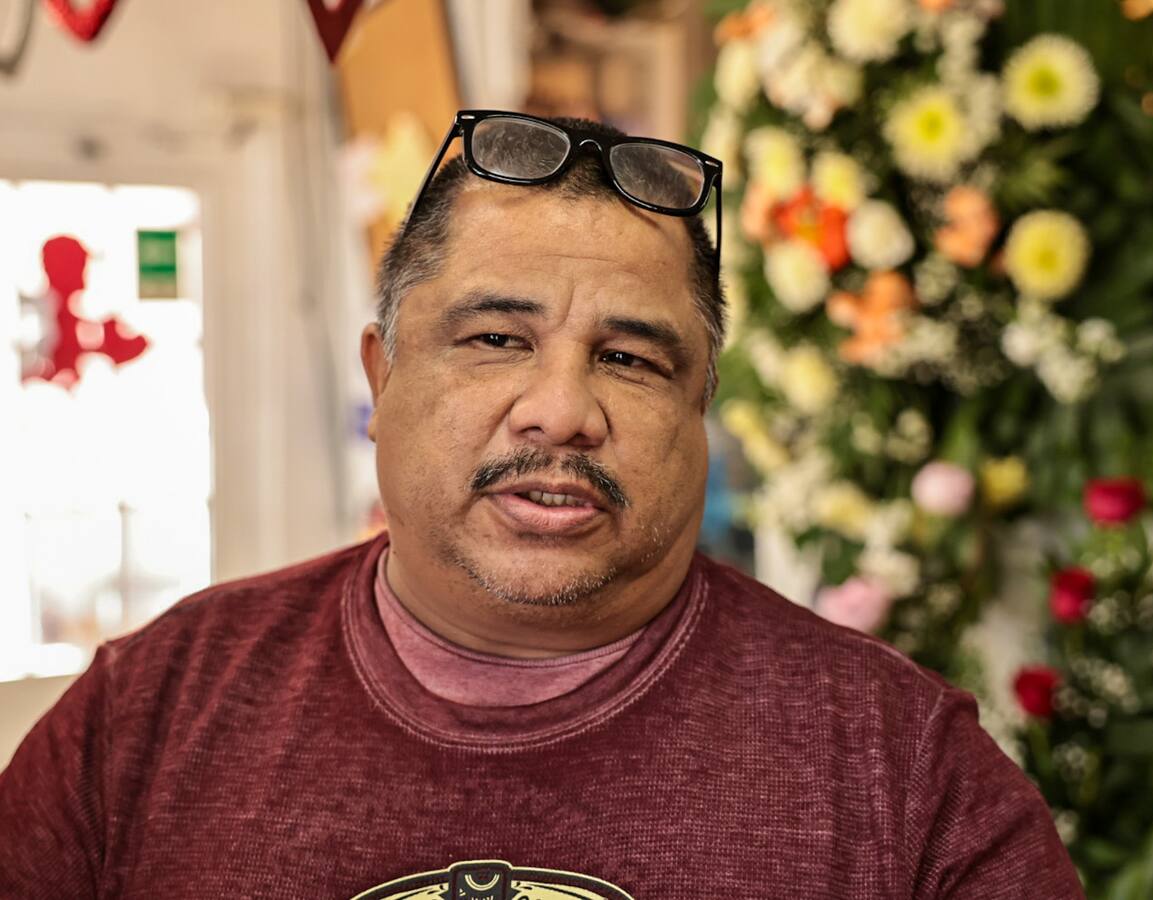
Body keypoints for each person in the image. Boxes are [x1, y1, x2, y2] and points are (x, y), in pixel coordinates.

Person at [0, 111, 1084, 899]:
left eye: (629, 357)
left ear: (702, 406)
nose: (561, 412)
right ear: (381, 383)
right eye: (496, 340)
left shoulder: (903, 769)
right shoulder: (146, 717)